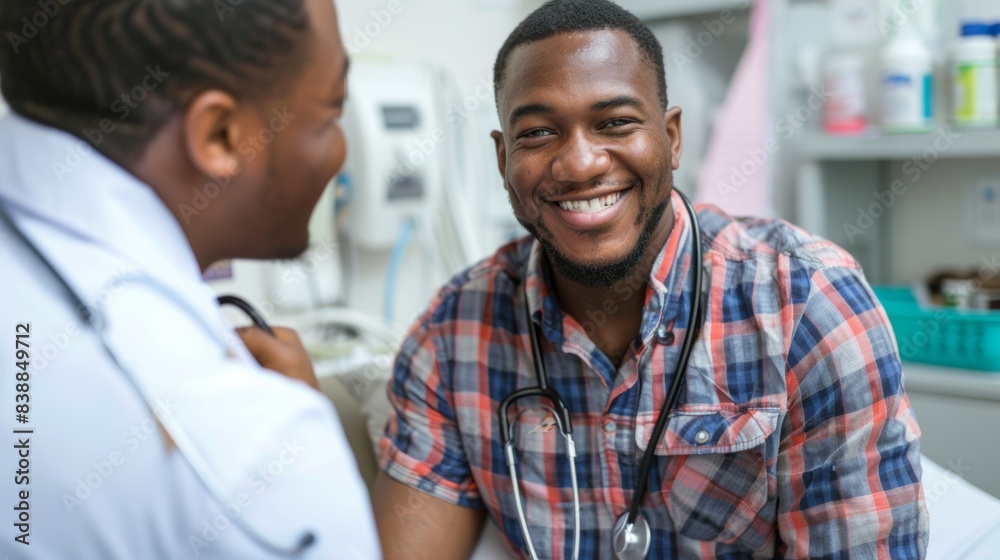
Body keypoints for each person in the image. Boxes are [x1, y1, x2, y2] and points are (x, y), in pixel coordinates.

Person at [372, 0, 929, 558]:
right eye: (539, 133)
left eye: (614, 122)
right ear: (503, 160)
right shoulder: (451, 334)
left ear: (672, 137)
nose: (581, 163)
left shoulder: (808, 306)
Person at [0, 0, 379, 558]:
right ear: (222, 135)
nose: (339, 150)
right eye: (329, 112)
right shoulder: (258, 451)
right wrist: (288, 453)